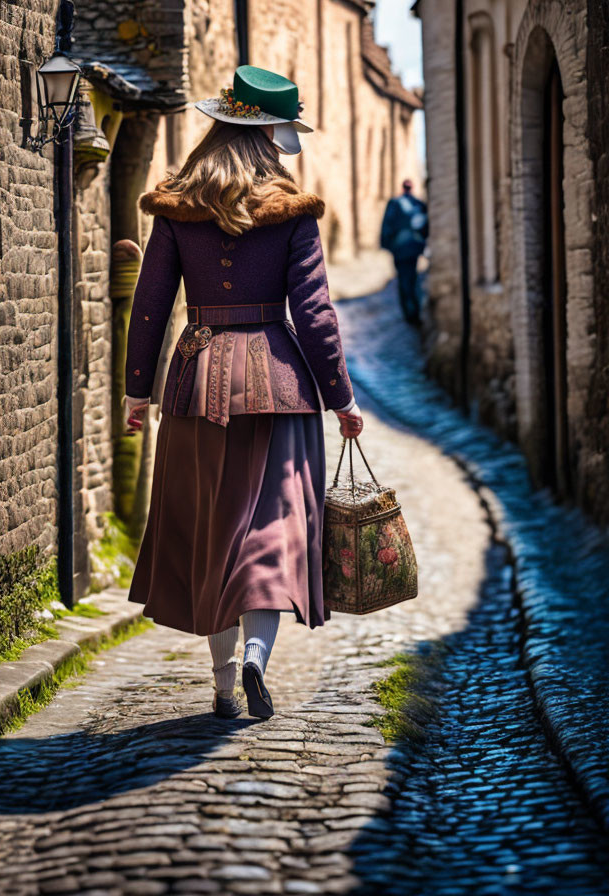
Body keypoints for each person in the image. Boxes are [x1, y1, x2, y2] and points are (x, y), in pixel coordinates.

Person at [123, 65, 363, 721]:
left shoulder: (177, 209)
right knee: (271, 532)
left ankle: (225, 684)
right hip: (278, 385)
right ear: (268, 137)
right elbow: (315, 317)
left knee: (211, 532)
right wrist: (342, 399)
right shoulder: (293, 214)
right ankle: (258, 656)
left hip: (197, 381)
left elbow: (149, 306)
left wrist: (136, 392)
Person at [380, 179, 428, 325]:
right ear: (412, 188)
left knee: (403, 280)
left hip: (400, 250)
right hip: (413, 249)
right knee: (413, 278)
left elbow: (387, 226)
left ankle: (409, 313)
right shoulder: (419, 204)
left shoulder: (394, 204)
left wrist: (387, 245)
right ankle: (415, 311)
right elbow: (425, 228)